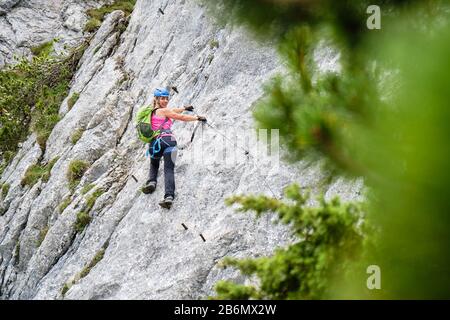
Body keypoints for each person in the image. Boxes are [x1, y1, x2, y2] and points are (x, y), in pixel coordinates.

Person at [142, 88, 206, 209]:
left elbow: (172, 110)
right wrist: (196, 118)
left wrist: (184, 108)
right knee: (169, 169)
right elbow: (178, 116)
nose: (165, 100)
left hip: (155, 143)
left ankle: (151, 182)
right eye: (163, 98)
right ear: (157, 99)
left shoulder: (150, 112)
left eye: (167, 98)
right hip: (168, 141)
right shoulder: (164, 111)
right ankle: (169, 197)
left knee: (154, 163)